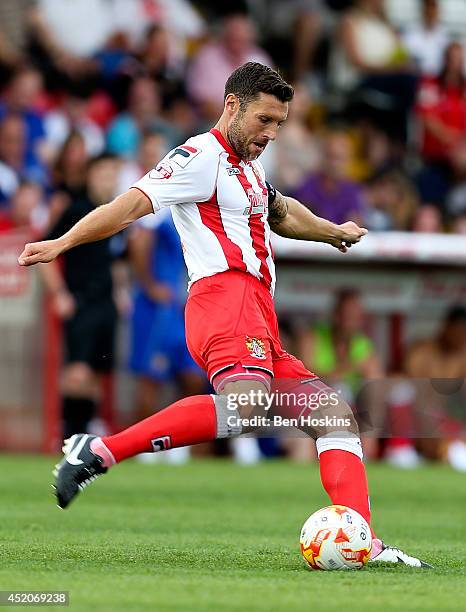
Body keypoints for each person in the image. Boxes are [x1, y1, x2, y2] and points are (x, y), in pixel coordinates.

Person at [19, 62, 430, 567]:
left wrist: (331, 231)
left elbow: (280, 213)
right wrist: (63, 241)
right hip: (224, 300)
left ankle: (365, 542)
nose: (271, 134)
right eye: (264, 120)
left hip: (257, 310)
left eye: (279, 124)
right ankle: (99, 451)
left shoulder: (250, 168)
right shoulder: (198, 157)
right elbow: (129, 206)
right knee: (247, 406)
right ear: (232, 106)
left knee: (334, 417)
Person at [39, 153, 120, 439]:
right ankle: (68, 434)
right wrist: (60, 294)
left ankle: (83, 438)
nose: (109, 179)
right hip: (81, 300)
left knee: (97, 374)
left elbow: (117, 261)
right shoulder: (76, 210)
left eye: (114, 173)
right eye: (104, 173)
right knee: (77, 372)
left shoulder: (116, 213)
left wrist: (121, 292)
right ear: (91, 175)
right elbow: (45, 252)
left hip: (106, 302)